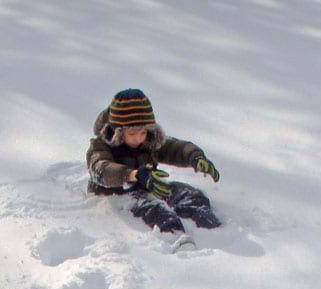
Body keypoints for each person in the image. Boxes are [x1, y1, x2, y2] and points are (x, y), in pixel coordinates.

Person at [87, 88, 223, 237]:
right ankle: (176, 237)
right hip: (118, 195)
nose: (138, 138)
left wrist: (194, 157)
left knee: (187, 194)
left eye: (143, 132)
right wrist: (134, 175)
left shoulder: (148, 141)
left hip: (147, 187)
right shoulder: (100, 146)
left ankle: (212, 228)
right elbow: (101, 169)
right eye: (132, 133)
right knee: (156, 212)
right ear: (117, 131)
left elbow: (174, 148)